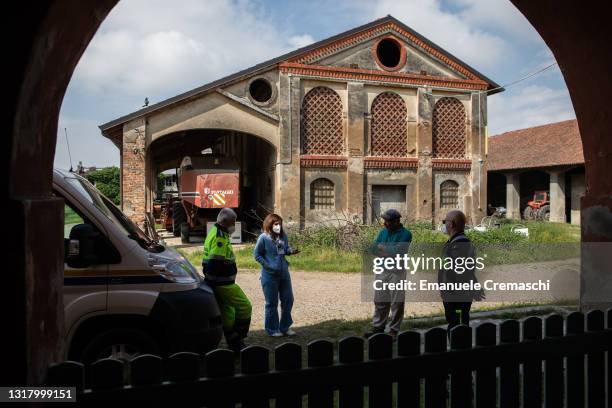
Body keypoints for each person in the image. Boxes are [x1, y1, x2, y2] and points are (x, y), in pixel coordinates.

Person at [202, 208, 252, 353]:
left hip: (218, 283)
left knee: (228, 315)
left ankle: (234, 345)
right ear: (225, 222)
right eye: (233, 222)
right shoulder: (220, 237)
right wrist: (211, 282)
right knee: (245, 307)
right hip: (224, 284)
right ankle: (239, 339)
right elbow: (214, 262)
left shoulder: (216, 232)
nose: (234, 225)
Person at [364, 209, 412, 339]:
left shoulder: (406, 234)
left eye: (388, 221)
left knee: (397, 302)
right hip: (382, 270)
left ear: (396, 221)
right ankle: (378, 327)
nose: (385, 223)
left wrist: (383, 248)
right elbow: (373, 249)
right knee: (380, 300)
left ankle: (393, 331)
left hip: (397, 272)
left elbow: (399, 252)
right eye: (384, 220)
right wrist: (387, 250)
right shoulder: (383, 232)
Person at [438, 210, 485, 333]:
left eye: (445, 222)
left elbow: (461, 272)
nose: (444, 224)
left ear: (451, 224)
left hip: (456, 296)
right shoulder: (455, 242)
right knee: (457, 323)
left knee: (457, 326)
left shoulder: (459, 244)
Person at [253, 214, 299, 337]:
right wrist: (268, 266)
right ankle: (272, 329)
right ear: (269, 224)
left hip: (284, 273)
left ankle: (285, 327)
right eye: (276, 224)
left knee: (288, 300)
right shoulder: (263, 238)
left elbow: (284, 250)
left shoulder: (283, 236)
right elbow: (257, 255)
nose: (278, 226)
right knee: (271, 303)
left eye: (280, 223)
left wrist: (290, 251)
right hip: (269, 276)